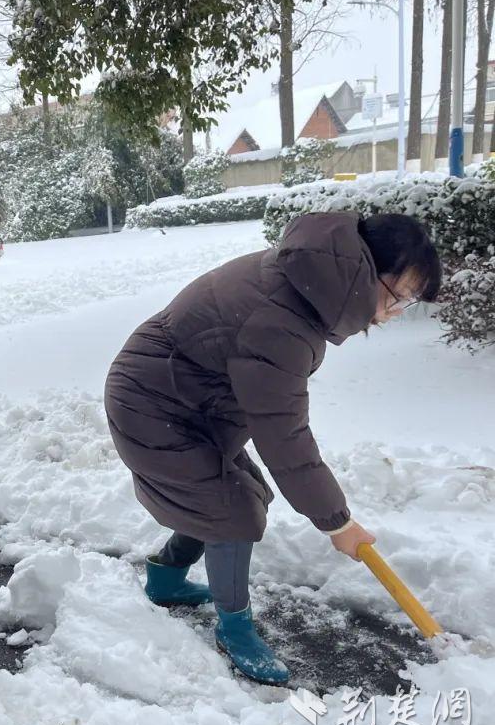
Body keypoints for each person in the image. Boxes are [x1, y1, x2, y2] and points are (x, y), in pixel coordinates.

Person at [104, 212, 441, 685]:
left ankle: (167, 578)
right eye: (399, 297)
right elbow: (284, 434)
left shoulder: (306, 279)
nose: (395, 312)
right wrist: (337, 522)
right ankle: (234, 629)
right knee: (231, 511)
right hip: (154, 405)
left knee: (236, 492)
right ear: (368, 272)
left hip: (187, 399)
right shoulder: (282, 320)